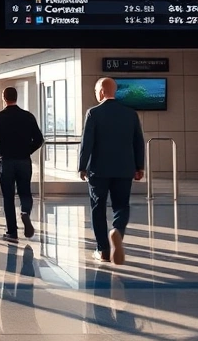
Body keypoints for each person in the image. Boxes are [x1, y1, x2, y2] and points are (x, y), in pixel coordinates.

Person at [78, 77, 145, 265]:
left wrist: (82, 166)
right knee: (121, 205)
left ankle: (103, 250)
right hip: (124, 168)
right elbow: (138, 142)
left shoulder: (93, 113)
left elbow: (87, 142)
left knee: (97, 208)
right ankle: (117, 231)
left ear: (101, 91)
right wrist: (139, 166)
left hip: (99, 170)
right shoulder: (130, 114)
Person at [0, 87, 44, 242]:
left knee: (8, 196)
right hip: (23, 160)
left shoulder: (0, 117)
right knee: (25, 191)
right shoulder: (28, 116)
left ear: (4, 98)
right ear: (17, 97)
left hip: (6, 161)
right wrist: (27, 150)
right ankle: (25, 213)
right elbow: (39, 139)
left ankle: (12, 231)